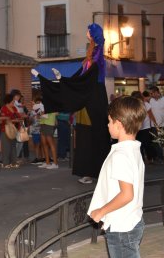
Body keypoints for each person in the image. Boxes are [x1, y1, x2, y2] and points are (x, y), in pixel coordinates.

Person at [33, 23, 111, 185]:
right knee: (84, 138)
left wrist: (66, 82)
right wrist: (63, 79)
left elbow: (87, 78)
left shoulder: (97, 56)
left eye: (88, 32)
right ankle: (87, 172)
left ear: (94, 35)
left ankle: (97, 172)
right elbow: (81, 76)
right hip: (87, 100)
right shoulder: (90, 56)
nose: (86, 34)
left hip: (94, 99)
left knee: (94, 137)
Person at [88, 96, 146, 258]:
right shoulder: (133, 149)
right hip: (131, 221)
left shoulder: (121, 154)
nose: (107, 125)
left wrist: (101, 211)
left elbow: (127, 194)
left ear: (119, 124)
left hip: (122, 227)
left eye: (109, 121)